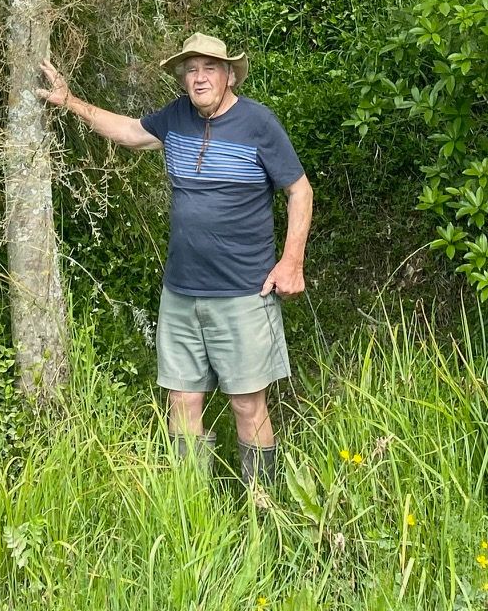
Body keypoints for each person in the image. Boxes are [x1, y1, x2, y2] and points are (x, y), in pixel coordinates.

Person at [37, 31, 311, 487]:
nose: (198, 77)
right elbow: (129, 132)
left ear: (228, 75)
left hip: (244, 293)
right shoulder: (177, 117)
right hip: (181, 294)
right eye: (190, 70)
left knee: (247, 403)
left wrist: (291, 262)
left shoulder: (259, 123)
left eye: (209, 68)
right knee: (182, 400)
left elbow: (299, 191)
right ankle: (192, 509)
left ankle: (266, 509)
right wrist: (70, 101)